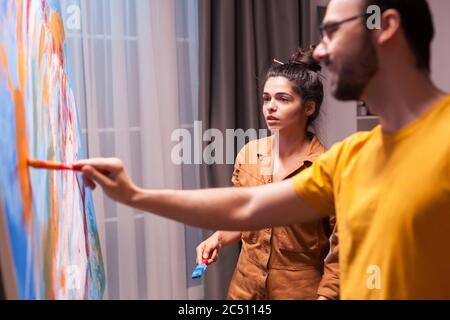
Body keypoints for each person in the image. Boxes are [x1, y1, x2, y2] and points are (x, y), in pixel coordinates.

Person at [75, 0, 450, 299]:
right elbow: (247, 207)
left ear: (382, 26)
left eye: (333, 31)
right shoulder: (351, 156)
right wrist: (133, 195)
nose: (319, 51)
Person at [195, 48, 339, 300]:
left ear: (308, 108)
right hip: (243, 290)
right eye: (266, 98)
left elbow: (345, 248)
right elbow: (242, 219)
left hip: (300, 291)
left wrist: (326, 296)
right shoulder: (249, 154)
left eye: (283, 99)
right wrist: (217, 238)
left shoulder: (328, 168)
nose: (270, 107)